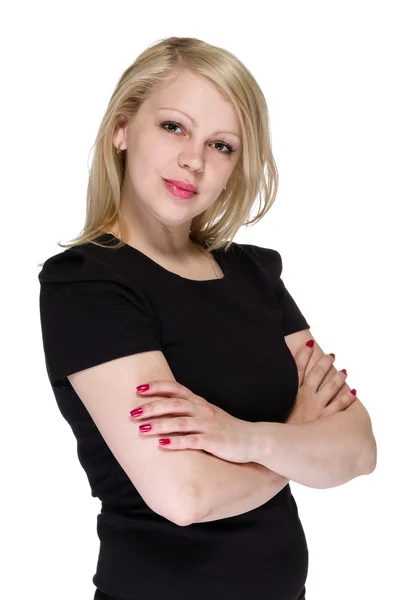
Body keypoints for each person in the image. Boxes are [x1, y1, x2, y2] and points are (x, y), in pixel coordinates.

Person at [37, 36, 376, 600]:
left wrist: (243, 440)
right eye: (174, 127)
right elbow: (185, 495)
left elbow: (359, 448)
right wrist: (296, 440)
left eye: (222, 145)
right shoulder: (88, 284)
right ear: (122, 128)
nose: (194, 160)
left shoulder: (253, 275)